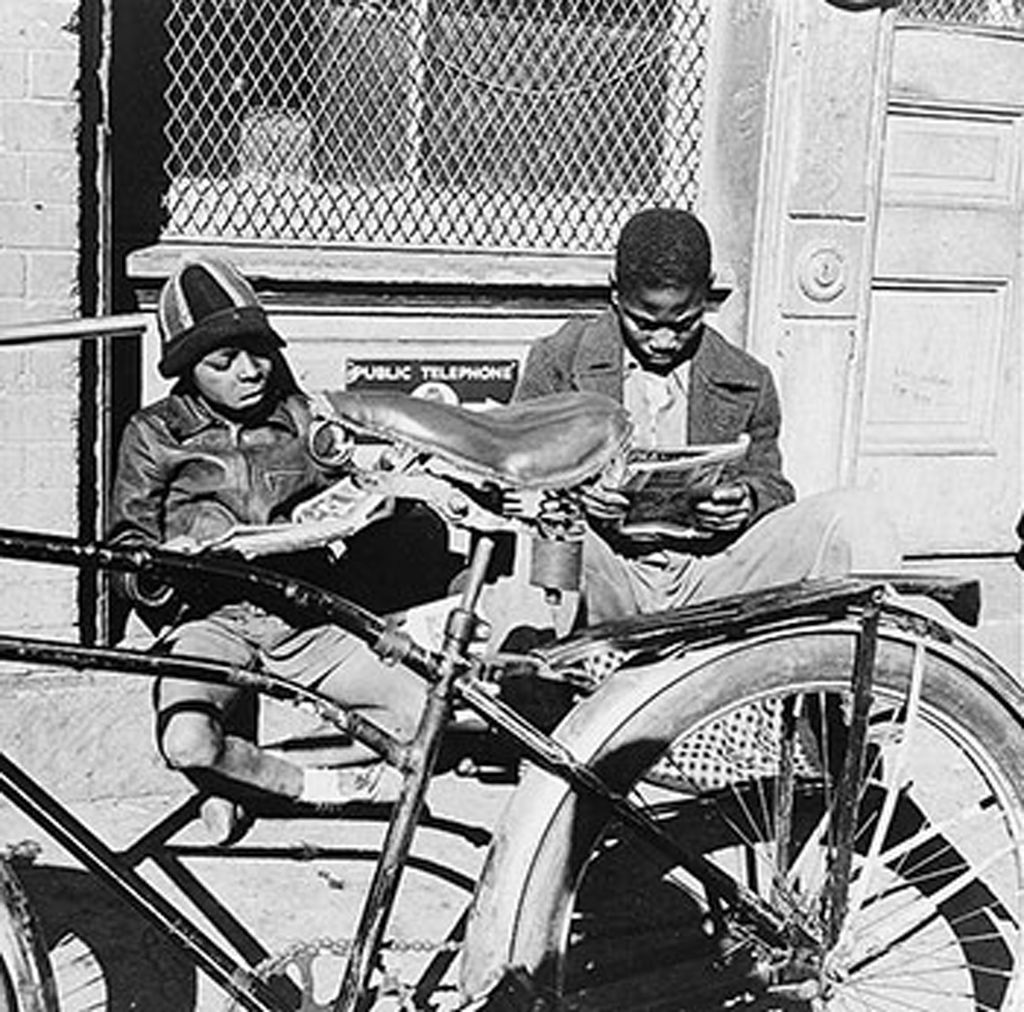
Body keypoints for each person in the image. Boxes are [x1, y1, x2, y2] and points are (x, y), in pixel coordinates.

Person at [109, 256, 425, 843]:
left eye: (259, 352)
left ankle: (244, 779)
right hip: (212, 623)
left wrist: (376, 496)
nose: (250, 372)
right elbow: (125, 552)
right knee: (188, 741)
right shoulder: (154, 433)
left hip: (304, 615)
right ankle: (287, 785)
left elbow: (351, 494)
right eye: (222, 363)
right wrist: (165, 565)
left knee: (420, 719)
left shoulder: (303, 417)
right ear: (186, 369)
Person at [515, 207, 900, 622]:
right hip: (604, 569)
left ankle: (870, 669)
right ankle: (547, 680)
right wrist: (578, 497)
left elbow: (773, 485)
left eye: (684, 323)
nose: (663, 340)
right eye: (643, 323)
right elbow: (513, 475)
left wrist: (746, 501)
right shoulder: (558, 360)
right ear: (614, 292)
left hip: (710, 575)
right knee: (534, 538)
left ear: (708, 294)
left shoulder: (747, 379)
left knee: (859, 516)